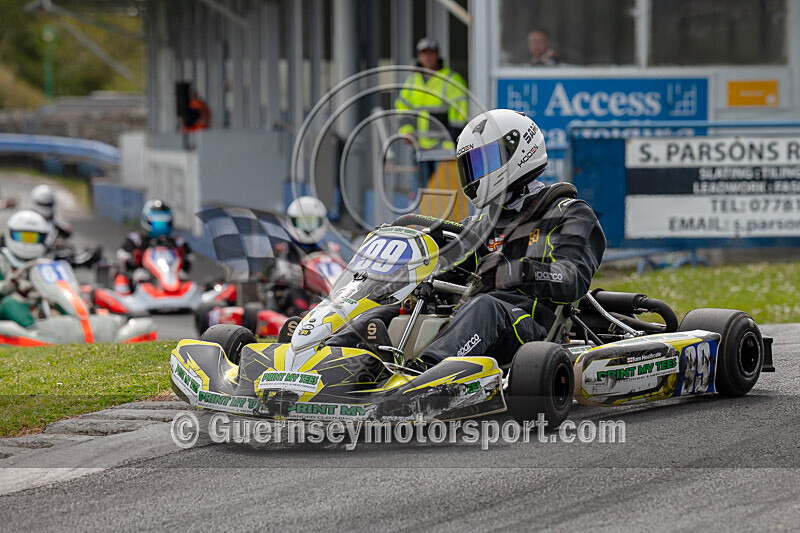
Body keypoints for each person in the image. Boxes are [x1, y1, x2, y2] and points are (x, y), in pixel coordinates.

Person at [329, 109, 606, 370]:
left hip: (531, 328)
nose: (477, 173)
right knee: (389, 310)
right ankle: (324, 360)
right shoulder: (476, 225)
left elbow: (573, 279)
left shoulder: (568, 213)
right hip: (467, 321)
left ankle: (426, 373)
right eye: (472, 166)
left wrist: (512, 272)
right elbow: (447, 270)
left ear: (519, 151)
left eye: (486, 161)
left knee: (485, 306)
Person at [395, 37, 469, 185]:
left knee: (443, 191)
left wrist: (450, 142)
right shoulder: (412, 81)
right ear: (419, 56)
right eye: (424, 53)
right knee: (421, 191)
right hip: (419, 146)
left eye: (431, 53)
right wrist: (406, 131)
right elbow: (402, 108)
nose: (427, 57)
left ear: (437, 54)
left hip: (443, 149)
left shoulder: (451, 80)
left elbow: (459, 114)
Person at [115, 200, 192, 289]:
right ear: (147, 221)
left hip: (170, 274)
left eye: (164, 223)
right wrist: (130, 261)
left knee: (183, 276)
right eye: (157, 223)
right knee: (140, 275)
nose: (160, 227)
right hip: (145, 275)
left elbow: (188, 261)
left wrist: (184, 261)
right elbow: (122, 255)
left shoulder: (177, 242)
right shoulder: (137, 240)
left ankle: (178, 295)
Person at [0, 210, 54, 328]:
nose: (28, 243)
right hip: (5, 309)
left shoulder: (45, 262)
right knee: (10, 303)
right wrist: (9, 285)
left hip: (39, 303)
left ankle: (81, 324)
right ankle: (33, 331)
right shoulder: (2, 260)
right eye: (23, 237)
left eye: (33, 238)